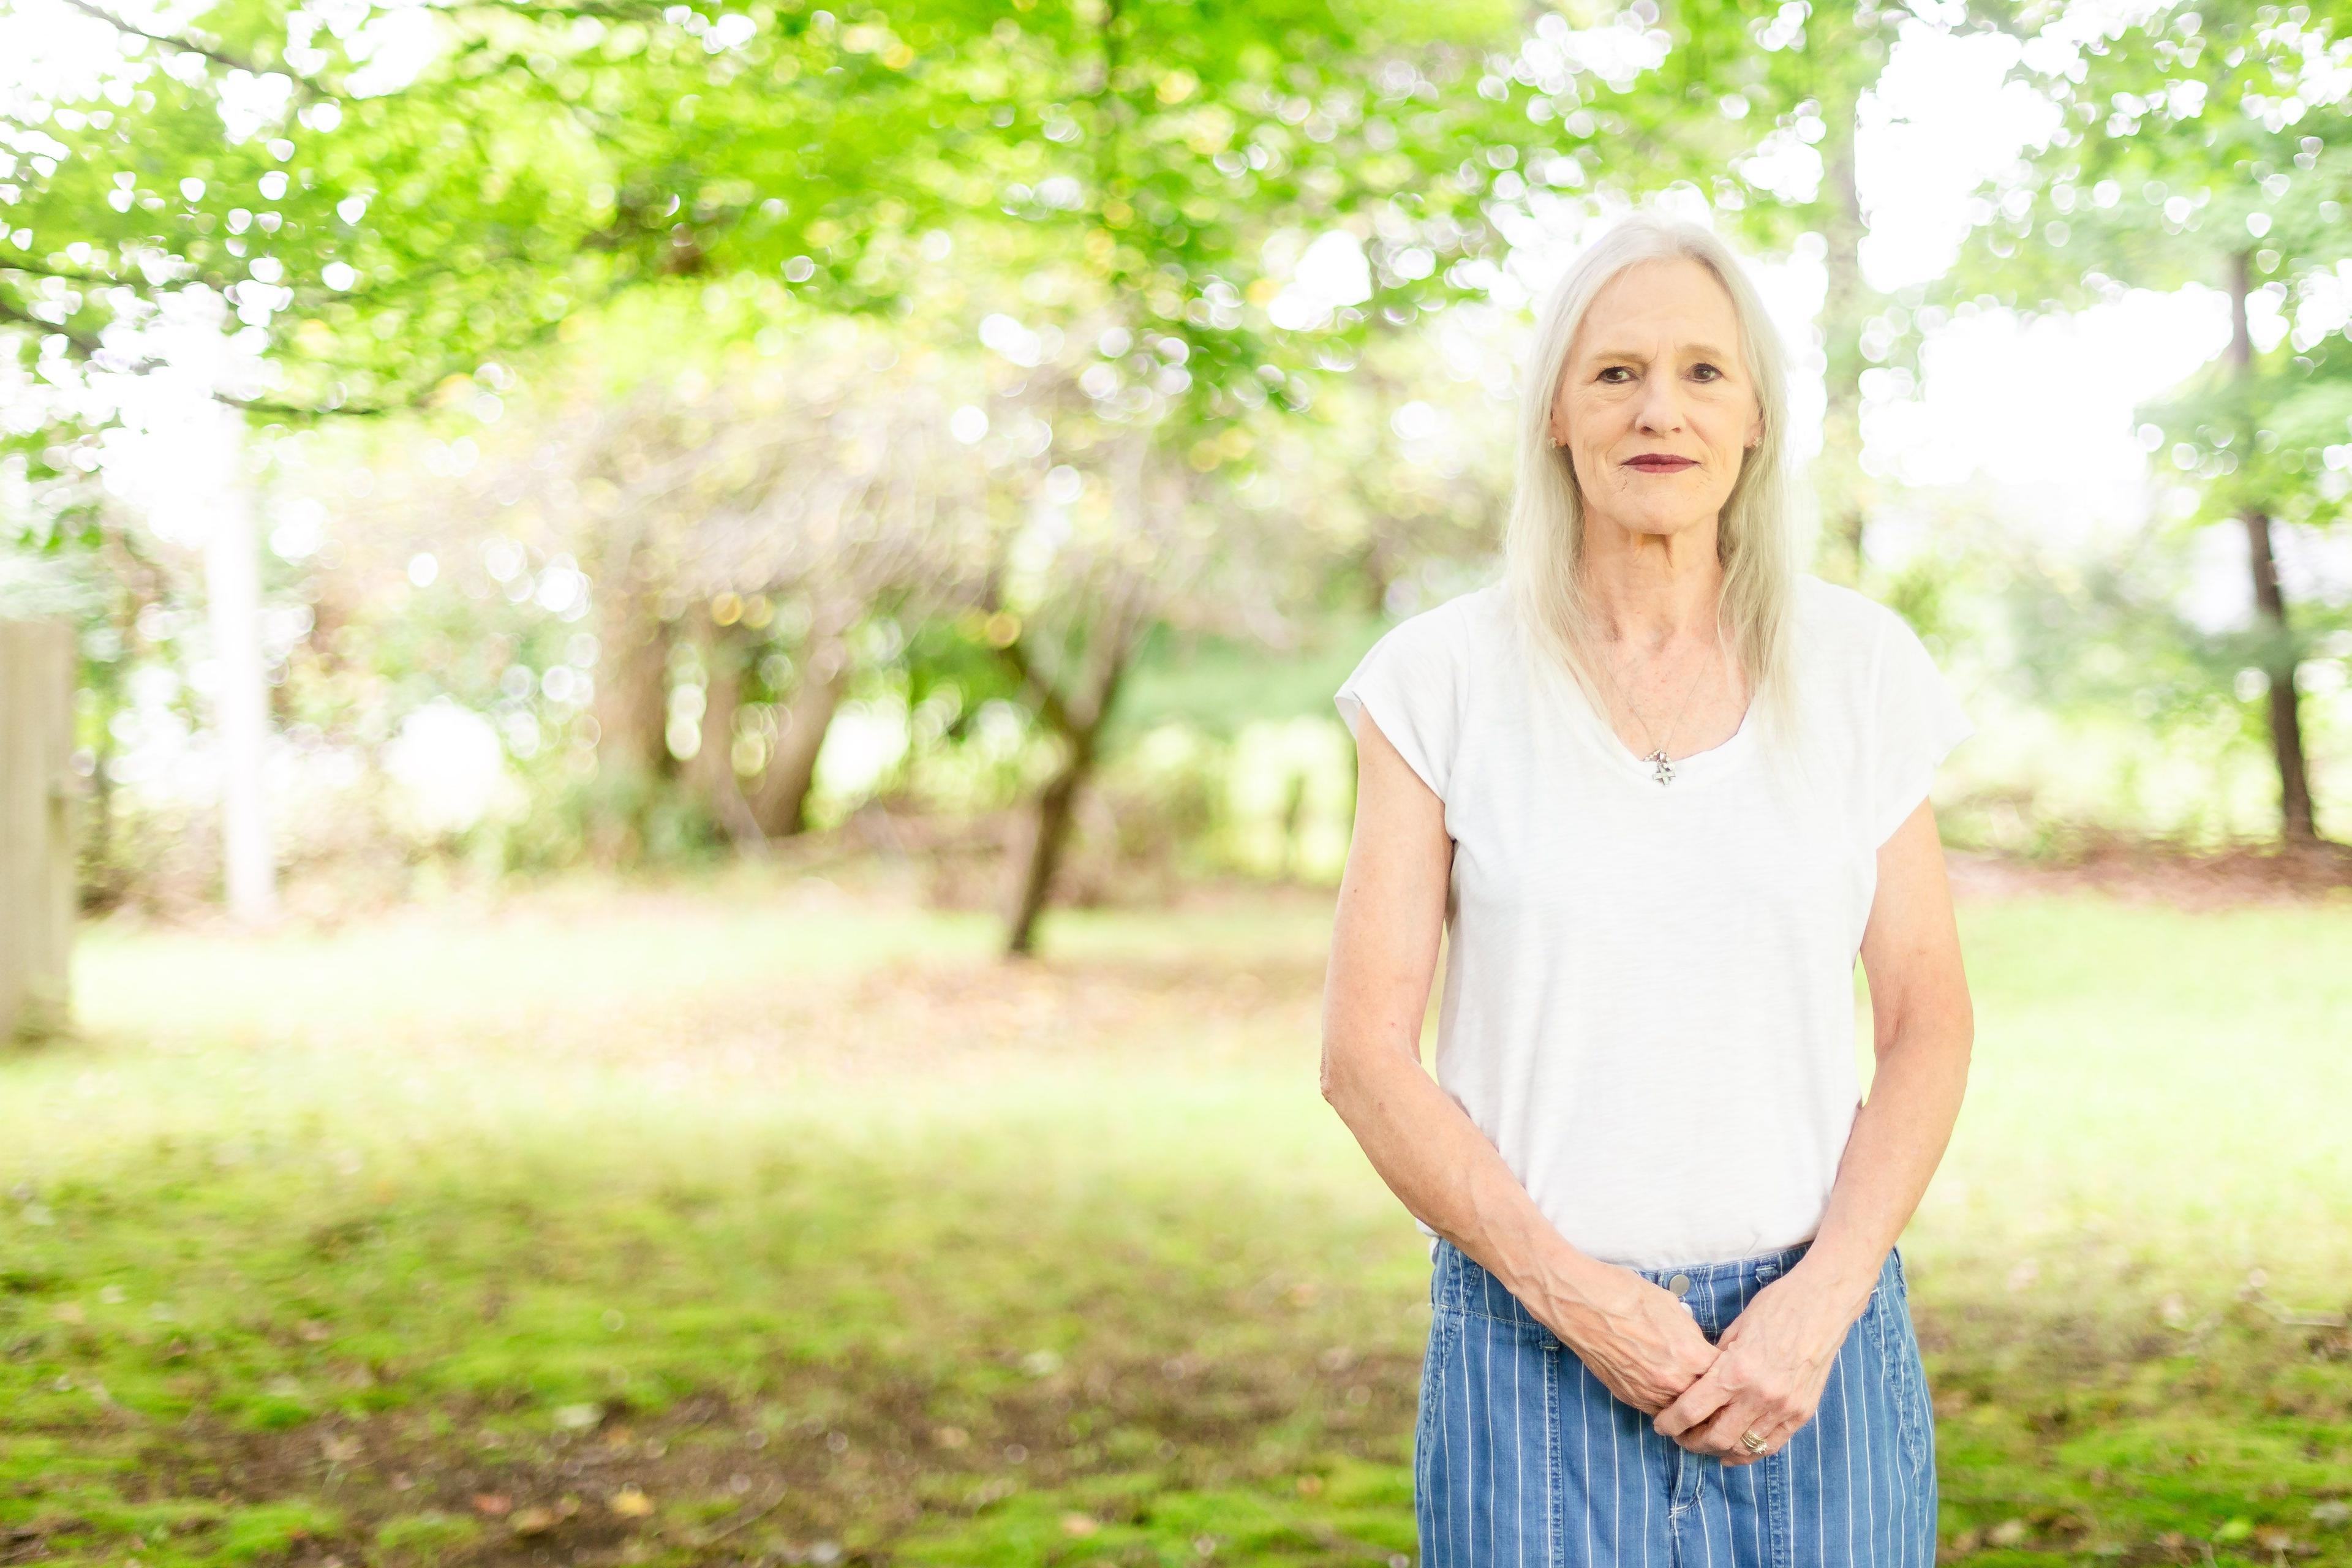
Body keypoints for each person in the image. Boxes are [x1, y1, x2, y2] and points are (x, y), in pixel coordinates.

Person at [1318, 209, 1974, 1566]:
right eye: (1615, 371)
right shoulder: (1438, 681)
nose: (1657, 408)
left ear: (1755, 419)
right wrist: (1581, 1299)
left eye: (1702, 372)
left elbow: (1926, 1022)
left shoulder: (1861, 667)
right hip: (1530, 1344)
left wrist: (1821, 1303)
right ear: (1557, 411)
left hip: (1816, 1349)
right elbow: (1365, 1057)